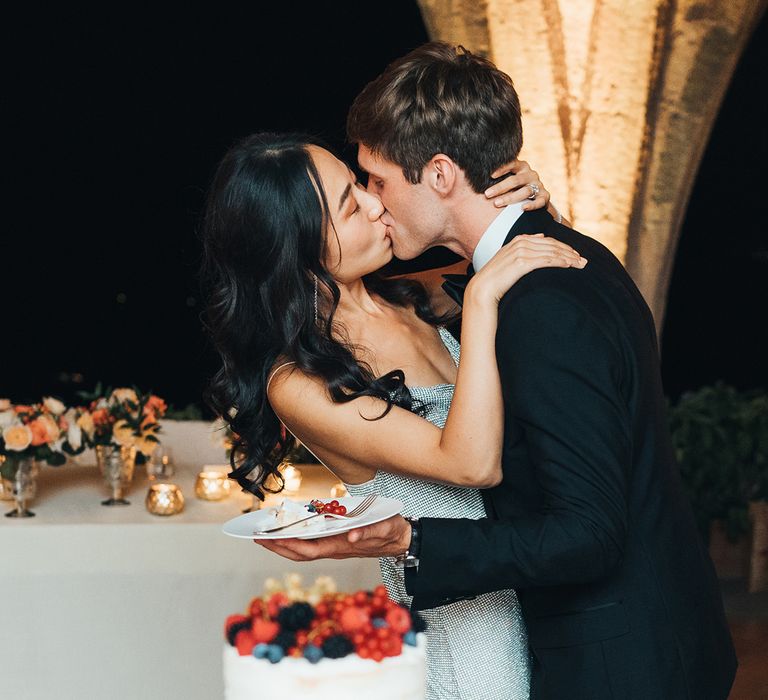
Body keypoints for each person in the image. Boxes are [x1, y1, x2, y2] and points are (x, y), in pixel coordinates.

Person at [256, 43, 738, 700]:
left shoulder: (509, 294)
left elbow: (585, 525)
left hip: (615, 650)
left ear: (443, 173)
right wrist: (489, 284)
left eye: (374, 181)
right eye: (353, 197)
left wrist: (408, 539)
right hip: (511, 629)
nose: (374, 204)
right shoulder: (507, 278)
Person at [201, 127, 583, 699]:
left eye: (360, 184)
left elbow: (558, 281)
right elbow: (473, 464)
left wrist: (532, 208)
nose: (379, 202)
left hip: (528, 566)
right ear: (297, 248)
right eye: (352, 204)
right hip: (460, 614)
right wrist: (481, 301)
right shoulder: (299, 382)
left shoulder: (415, 295)